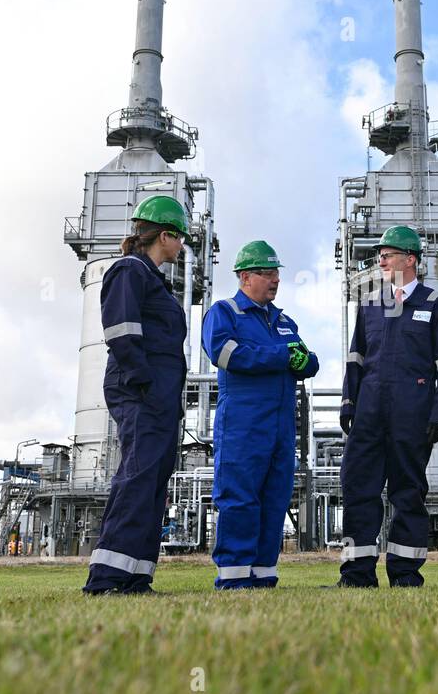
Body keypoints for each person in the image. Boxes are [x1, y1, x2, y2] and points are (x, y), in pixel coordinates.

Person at [334, 225, 438, 587]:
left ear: (411, 259)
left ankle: (405, 574)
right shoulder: (371, 304)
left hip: (412, 413)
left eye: (387, 254)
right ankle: (357, 574)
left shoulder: (436, 305)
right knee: (358, 487)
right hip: (369, 413)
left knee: (408, 492)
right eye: (380, 255)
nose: (380, 260)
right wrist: (348, 402)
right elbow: (355, 359)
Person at [82, 196, 189, 596]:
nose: (182, 247)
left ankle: (136, 576)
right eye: (179, 239)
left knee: (153, 484)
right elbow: (121, 329)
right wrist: (143, 382)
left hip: (159, 396)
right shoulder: (129, 270)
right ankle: (107, 578)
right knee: (137, 478)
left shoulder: (153, 278)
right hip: (140, 392)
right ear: (164, 235)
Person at [202, 240, 319, 589]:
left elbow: (308, 359)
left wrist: (304, 361)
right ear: (244, 276)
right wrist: (282, 356)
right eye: (266, 273)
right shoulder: (224, 313)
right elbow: (226, 354)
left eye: (276, 273)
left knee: (274, 501)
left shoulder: (284, 321)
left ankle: (264, 577)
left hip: (281, 429)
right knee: (239, 499)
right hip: (242, 427)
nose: (275, 280)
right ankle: (234, 579)